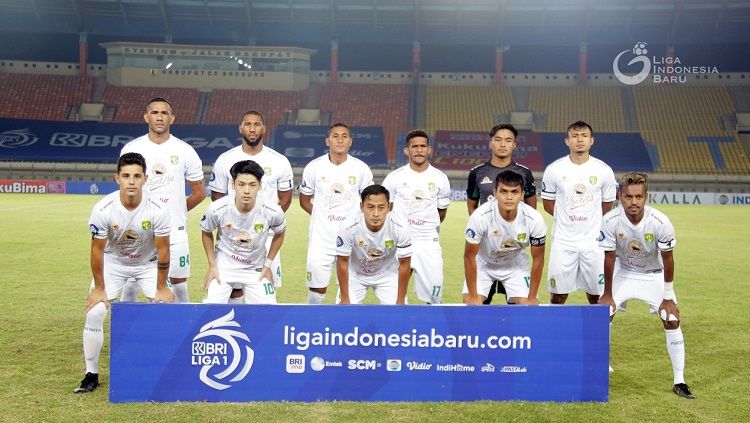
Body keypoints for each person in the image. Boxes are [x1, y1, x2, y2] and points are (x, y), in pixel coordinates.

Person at [74, 153, 174, 394]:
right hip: (114, 263)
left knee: (166, 310)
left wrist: (161, 288)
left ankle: (164, 369)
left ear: (145, 179)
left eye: (137, 176)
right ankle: (91, 374)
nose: (131, 181)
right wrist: (100, 289)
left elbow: (163, 252)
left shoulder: (158, 210)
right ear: (117, 178)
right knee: (95, 312)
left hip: (148, 263)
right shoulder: (103, 208)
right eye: (126, 176)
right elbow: (97, 252)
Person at [598, 172, 695, 399]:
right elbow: (609, 258)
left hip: (654, 275)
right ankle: (599, 368)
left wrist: (668, 296)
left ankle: (679, 381)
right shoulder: (610, 220)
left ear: (646, 196)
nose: (634, 202)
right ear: (620, 197)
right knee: (603, 314)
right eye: (628, 197)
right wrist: (607, 294)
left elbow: (669, 260)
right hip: (626, 272)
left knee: (671, 319)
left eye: (639, 197)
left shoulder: (660, 222)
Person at [119, 97, 205, 303]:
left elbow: (199, 191)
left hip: (175, 230)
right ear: (146, 116)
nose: (159, 117)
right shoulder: (132, 149)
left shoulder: (184, 150)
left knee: (179, 286)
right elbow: (125, 189)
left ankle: (185, 331)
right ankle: (126, 332)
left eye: (164, 113)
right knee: (131, 284)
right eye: (155, 113)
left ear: (172, 118)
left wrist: (177, 211)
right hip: (140, 230)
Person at [209, 110, 293, 302]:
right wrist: (233, 221)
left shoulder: (279, 161)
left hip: (267, 234)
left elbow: (286, 198)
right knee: (233, 288)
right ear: (241, 128)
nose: (252, 128)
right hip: (232, 234)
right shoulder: (225, 159)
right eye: (248, 124)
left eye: (257, 124)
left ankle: (257, 326)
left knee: (265, 282)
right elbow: (217, 196)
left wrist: (267, 222)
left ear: (264, 128)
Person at [541, 120, 616, 305]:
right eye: (574, 136)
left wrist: (590, 219)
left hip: (594, 243)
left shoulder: (604, 171)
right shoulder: (554, 170)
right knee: (558, 295)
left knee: (595, 295)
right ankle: (554, 332)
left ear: (592, 141)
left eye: (584, 136)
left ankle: (596, 333)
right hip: (563, 242)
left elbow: (607, 206)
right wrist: (568, 218)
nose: (579, 140)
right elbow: (549, 205)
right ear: (567, 141)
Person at [299, 123, 374, 304]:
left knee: (349, 291)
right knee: (317, 290)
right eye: (335, 136)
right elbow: (304, 200)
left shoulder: (361, 168)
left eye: (344, 136)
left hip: (351, 239)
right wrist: (321, 216)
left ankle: (343, 328)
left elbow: (370, 202)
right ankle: (312, 323)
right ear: (327, 141)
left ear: (350, 141)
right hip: (321, 239)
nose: (340, 139)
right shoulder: (314, 167)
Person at [466, 124, 536, 305]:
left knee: (518, 307)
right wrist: (483, 232)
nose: (503, 144)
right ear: (491, 143)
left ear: (514, 145)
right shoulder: (476, 173)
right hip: (486, 248)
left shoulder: (524, 173)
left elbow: (531, 208)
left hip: (514, 251)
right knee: (477, 305)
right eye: (498, 139)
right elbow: (472, 206)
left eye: (508, 140)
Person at [201, 160, 286, 304]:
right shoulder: (216, 209)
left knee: (269, 311)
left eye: (252, 185)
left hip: (255, 269)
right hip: (223, 268)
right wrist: (212, 266)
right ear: (232, 185)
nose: (246, 191)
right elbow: (206, 232)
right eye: (241, 184)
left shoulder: (272, 211)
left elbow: (280, 233)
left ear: (260, 186)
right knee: (209, 309)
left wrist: (267, 266)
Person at [382, 129, 450, 304]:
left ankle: (432, 329)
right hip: (400, 242)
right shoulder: (394, 178)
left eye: (423, 146)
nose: (419, 150)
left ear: (429, 150)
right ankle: (397, 329)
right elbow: (385, 210)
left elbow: (441, 212)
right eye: (415, 146)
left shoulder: (440, 178)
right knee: (394, 297)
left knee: (435, 297)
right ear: (407, 150)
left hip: (428, 242)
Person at [463, 170, 546, 305]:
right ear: (495, 193)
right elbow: (469, 256)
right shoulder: (480, 217)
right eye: (504, 191)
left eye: (514, 192)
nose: (509, 197)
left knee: (530, 306)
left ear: (522, 195)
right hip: (484, 264)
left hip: (515, 264)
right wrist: (472, 296)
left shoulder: (534, 219)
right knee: (473, 304)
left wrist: (531, 297)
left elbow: (538, 258)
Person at [336, 185, 412, 304]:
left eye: (381, 207)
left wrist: (401, 300)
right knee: (346, 314)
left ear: (389, 207)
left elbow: (405, 264)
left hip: (387, 274)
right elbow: (342, 261)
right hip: (355, 274)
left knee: (397, 315)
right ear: (362, 207)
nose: (376, 213)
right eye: (370, 207)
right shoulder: (348, 227)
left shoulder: (400, 228)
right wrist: (345, 298)